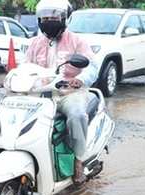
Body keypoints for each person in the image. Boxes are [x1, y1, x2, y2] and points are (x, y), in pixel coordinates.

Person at [26, 0, 99, 185]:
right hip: (41, 95)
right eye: (45, 17)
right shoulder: (35, 43)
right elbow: (24, 67)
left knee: (76, 115)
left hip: (68, 94)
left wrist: (80, 80)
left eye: (54, 17)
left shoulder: (76, 41)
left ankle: (78, 160)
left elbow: (93, 66)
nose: (49, 20)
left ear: (64, 18)